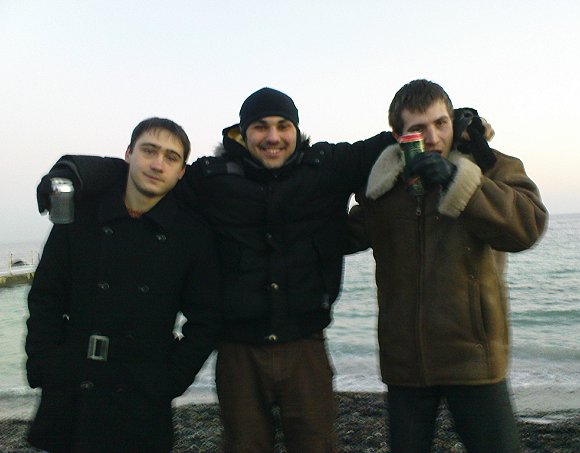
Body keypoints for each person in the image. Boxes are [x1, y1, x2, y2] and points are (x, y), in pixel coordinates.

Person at [35, 88, 488, 452]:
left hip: (305, 346)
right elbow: (149, 173)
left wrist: (463, 123)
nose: (273, 137)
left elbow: (396, 139)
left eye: (283, 126)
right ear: (242, 133)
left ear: (296, 130)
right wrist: (74, 171)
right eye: (260, 127)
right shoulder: (211, 178)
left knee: (316, 444)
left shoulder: (328, 166)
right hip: (238, 351)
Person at [346, 79, 548, 453]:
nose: (433, 137)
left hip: (474, 361)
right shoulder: (385, 185)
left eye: (441, 123)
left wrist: (460, 182)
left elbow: (528, 227)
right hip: (405, 365)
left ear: (453, 121)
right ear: (398, 135)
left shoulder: (488, 165)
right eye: (419, 128)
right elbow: (340, 237)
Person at [26, 118, 222, 452]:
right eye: (149, 151)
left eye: (171, 157)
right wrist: (47, 363)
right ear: (129, 154)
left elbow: (207, 318)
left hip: (141, 394)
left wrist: (172, 378)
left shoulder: (191, 235)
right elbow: (46, 298)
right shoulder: (80, 217)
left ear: (181, 172)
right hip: (73, 386)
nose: (158, 164)